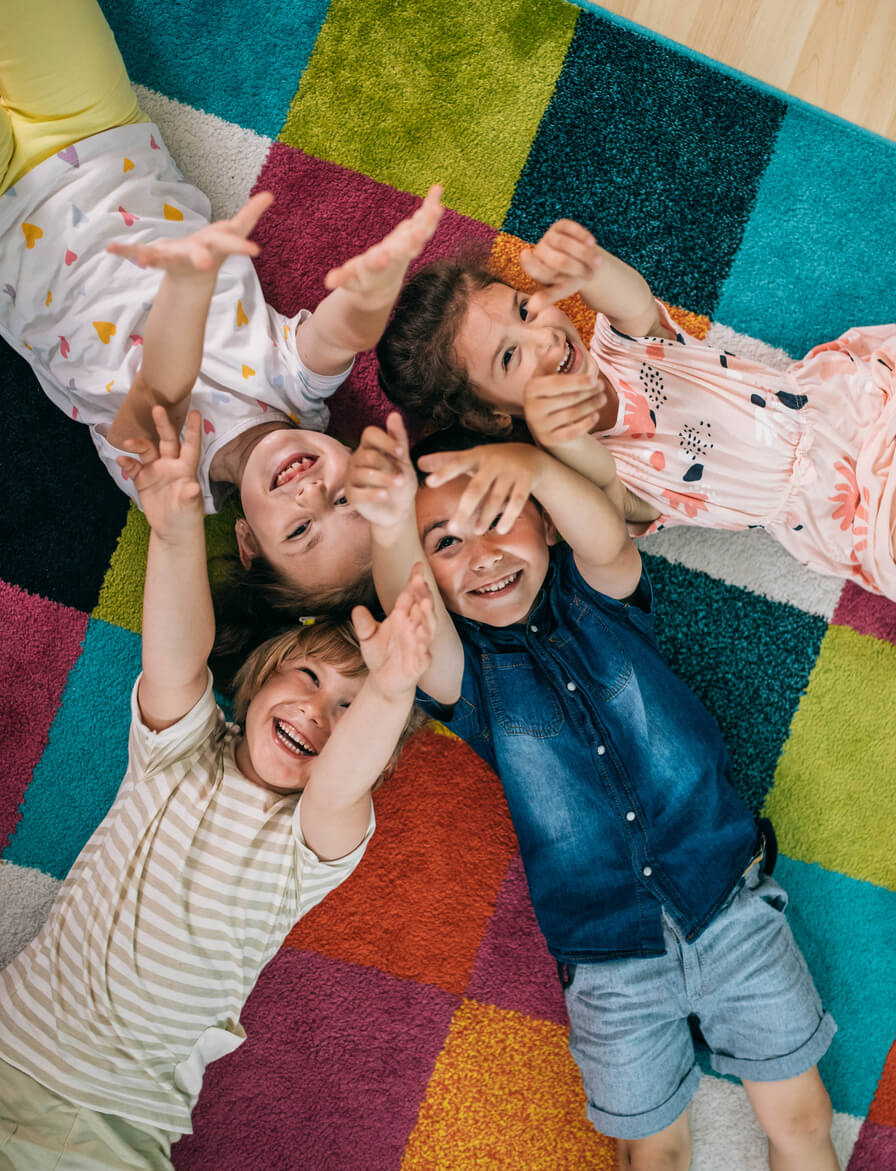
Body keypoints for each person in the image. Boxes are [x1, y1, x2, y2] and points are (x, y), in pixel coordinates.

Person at [345, 392, 840, 1170]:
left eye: (500, 514)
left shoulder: (604, 595)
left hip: (728, 904)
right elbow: (409, 614)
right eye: (444, 542)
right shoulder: (466, 680)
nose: (481, 554)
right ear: (430, 578)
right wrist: (386, 522)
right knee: (652, 1154)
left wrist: (534, 463)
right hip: (611, 962)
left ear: (543, 520)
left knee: (804, 1118)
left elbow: (604, 532)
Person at [0, 399, 435, 1170]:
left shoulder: (310, 842)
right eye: (307, 678)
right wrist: (171, 532)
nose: (318, 711)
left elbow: (340, 781)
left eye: (348, 707)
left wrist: (392, 689)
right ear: (264, 673)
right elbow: (176, 659)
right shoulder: (180, 752)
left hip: (111, 1120)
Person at [0, 0, 443, 613]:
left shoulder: (174, 485)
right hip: (99, 137)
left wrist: (187, 285)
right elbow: (340, 337)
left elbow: (159, 394)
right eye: (344, 499)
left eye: (298, 530)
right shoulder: (296, 391)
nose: (311, 494)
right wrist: (377, 282)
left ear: (248, 545)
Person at [376, 217, 896, 600]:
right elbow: (612, 504)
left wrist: (588, 264)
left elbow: (632, 298)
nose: (543, 340)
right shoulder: (595, 474)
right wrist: (559, 439)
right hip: (837, 509)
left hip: (845, 401)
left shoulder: (625, 346)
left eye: (525, 309)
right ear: (489, 416)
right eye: (510, 357)